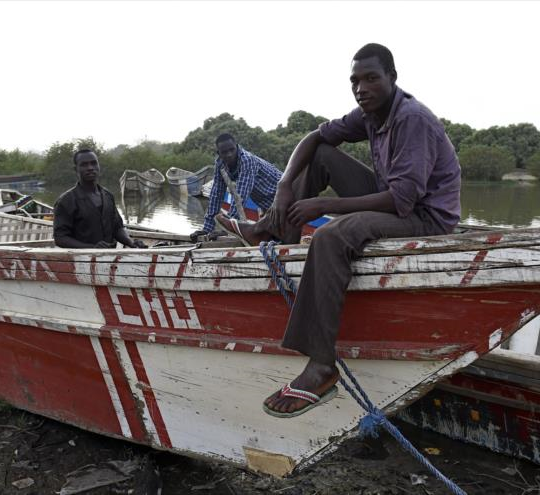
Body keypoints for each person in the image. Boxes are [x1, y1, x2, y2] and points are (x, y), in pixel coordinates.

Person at [217, 43, 461, 418]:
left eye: (371, 78)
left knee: (331, 235)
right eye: (355, 80)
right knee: (323, 155)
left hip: (425, 216)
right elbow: (314, 138)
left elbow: (400, 200)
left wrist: (325, 206)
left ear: (392, 79)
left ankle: (321, 365)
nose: (361, 88)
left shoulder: (411, 118)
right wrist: (285, 185)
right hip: (396, 201)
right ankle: (270, 230)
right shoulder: (369, 114)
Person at [190, 134, 282, 242]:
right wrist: (206, 229)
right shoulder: (220, 163)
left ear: (237, 147)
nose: (229, 154)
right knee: (271, 238)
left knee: (283, 237)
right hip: (267, 206)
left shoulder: (247, 160)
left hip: (283, 197)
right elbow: (216, 195)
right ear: (218, 153)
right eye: (224, 152)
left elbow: (240, 196)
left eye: (232, 150)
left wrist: (228, 227)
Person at [53, 149, 146, 249]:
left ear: (98, 166)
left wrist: (130, 242)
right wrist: (92, 248)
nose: (90, 168)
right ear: (76, 169)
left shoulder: (108, 196)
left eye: (94, 163)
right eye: (84, 165)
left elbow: (117, 228)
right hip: (81, 261)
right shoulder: (65, 201)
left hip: (111, 259)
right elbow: (60, 238)